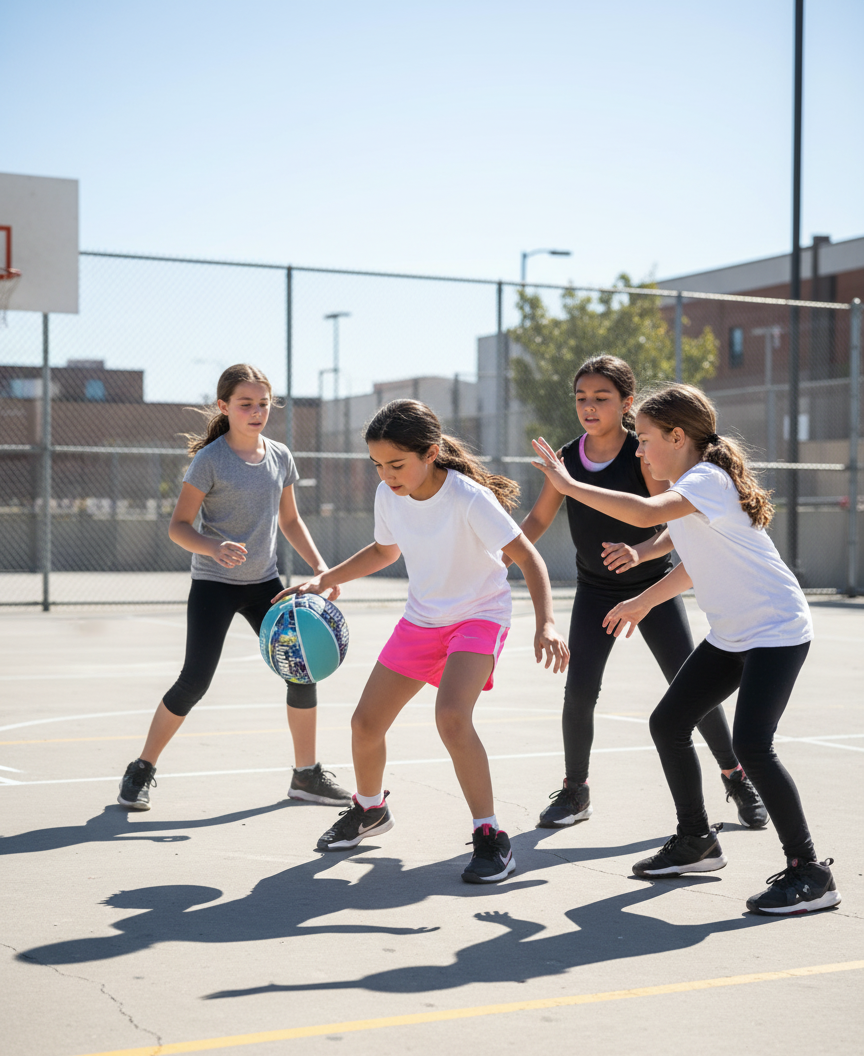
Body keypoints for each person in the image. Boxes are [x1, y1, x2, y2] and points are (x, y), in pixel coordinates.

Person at [531, 383, 840, 916]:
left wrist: (569, 483)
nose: (640, 449)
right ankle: (697, 840)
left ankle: (810, 873)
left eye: (647, 438)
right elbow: (691, 560)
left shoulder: (705, 480)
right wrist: (643, 601)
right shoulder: (688, 487)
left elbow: (647, 515)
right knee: (668, 722)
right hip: (733, 634)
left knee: (753, 745)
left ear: (678, 436)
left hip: (776, 630)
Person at [278, 398, 569, 883]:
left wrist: (547, 623)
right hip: (422, 619)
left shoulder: (468, 497)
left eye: (396, 464)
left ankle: (491, 837)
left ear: (430, 453)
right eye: (377, 465)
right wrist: (325, 577)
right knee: (365, 723)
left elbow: (528, 556)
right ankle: (370, 809)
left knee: (452, 718)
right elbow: (383, 549)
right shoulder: (390, 496)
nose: (386, 475)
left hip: (479, 615)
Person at [518, 355, 765, 831]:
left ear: (627, 403)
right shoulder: (568, 458)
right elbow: (538, 521)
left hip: (652, 588)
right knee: (579, 691)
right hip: (595, 591)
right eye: (581, 398)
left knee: (693, 689)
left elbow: (668, 519)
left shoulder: (643, 452)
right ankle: (575, 791)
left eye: (601, 398)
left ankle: (735, 777)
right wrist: (501, 554)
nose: (589, 407)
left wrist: (641, 553)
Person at [117, 363, 350, 812]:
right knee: (194, 681)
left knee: (300, 669)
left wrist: (322, 571)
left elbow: (291, 520)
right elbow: (178, 527)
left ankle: (306, 776)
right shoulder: (211, 460)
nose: (257, 411)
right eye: (246, 404)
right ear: (224, 407)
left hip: (266, 585)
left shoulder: (280, 455)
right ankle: (141, 768)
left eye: (264, 404)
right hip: (215, 585)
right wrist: (212, 546)